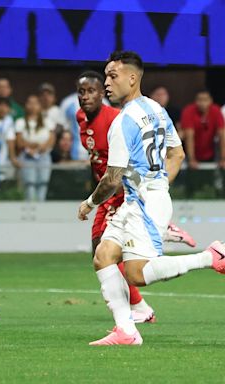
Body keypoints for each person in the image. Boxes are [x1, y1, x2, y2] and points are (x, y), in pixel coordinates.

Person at [78, 51, 225, 346]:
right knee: (104, 255)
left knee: (136, 274)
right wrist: (159, 185)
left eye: (113, 75)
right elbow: (178, 153)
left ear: (132, 78)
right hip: (141, 200)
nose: (107, 82)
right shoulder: (157, 110)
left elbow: (112, 178)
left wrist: (89, 203)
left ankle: (209, 257)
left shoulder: (121, 123)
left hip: (143, 204)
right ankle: (127, 331)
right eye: (106, 75)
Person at [75, 70, 196, 324]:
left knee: (110, 255)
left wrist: (145, 191)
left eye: (91, 91)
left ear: (102, 95)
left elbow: (127, 165)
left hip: (121, 188)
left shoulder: (116, 120)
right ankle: (134, 315)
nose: (85, 97)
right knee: (104, 253)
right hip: (109, 187)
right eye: (81, 92)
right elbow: (96, 159)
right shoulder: (81, 118)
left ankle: (140, 307)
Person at [15, 94, 55, 201]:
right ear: (26, 106)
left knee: (43, 184)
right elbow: (19, 142)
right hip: (27, 156)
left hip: (44, 156)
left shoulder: (47, 121)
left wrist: (41, 147)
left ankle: (41, 212)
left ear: (40, 106)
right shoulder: (20, 122)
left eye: (35, 103)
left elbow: (51, 139)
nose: (32, 106)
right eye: (30, 103)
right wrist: (31, 147)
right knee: (29, 186)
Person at [181, 90, 225, 169]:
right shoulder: (188, 111)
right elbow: (189, 135)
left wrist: (223, 158)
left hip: (211, 153)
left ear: (211, 100)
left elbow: (222, 134)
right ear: (195, 101)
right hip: (189, 154)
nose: (202, 103)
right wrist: (191, 159)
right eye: (199, 100)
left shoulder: (216, 110)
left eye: (205, 100)